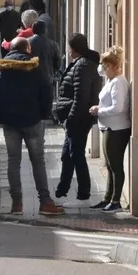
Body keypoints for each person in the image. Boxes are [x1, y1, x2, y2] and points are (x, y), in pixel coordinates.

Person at [0, 37, 65, 216]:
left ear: (10, 50)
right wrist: (44, 114)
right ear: (28, 49)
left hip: (9, 122)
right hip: (32, 121)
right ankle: (45, 202)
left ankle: (17, 203)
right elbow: (47, 92)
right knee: (38, 161)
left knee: (13, 160)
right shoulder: (35, 68)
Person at [53, 33, 102, 207]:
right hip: (76, 117)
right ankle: (62, 191)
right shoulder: (82, 63)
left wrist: (72, 118)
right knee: (67, 155)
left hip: (79, 118)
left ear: (72, 48)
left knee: (76, 154)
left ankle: (83, 195)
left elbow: (81, 96)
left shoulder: (82, 66)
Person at [89, 46, 131, 212]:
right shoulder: (111, 80)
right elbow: (99, 69)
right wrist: (106, 59)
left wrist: (99, 110)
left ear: (115, 66)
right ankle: (108, 198)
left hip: (116, 128)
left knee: (115, 165)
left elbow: (118, 108)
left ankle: (116, 201)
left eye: (107, 66)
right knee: (109, 165)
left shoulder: (118, 82)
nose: (104, 69)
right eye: (104, 66)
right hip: (109, 127)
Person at [30, 20, 62, 91]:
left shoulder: (27, 43)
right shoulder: (53, 44)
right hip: (47, 80)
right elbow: (58, 63)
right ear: (45, 30)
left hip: (31, 80)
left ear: (33, 30)